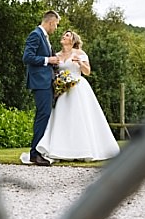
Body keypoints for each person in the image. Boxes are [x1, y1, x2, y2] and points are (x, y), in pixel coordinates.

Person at [34, 30, 120, 162]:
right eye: (63, 35)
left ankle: (83, 149)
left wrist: (80, 62)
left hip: (78, 88)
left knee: (79, 118)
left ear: (73, 40)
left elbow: (87, 72)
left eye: (67, 35)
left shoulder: (80, 53)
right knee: (62, 119)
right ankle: (60, 149)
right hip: (62, 90)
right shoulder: (56, 55)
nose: (63, 36)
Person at [22, 10, 61, 167]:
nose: (56, 28)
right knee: (42, 115)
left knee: (44, 115)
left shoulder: (45, 37)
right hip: (40, 83)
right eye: (56, 25)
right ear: (50, 22)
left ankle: (37, 151)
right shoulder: (35, 35)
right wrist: (48, 60)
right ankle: (34, 153)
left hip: (46, 82)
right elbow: (27, 57)